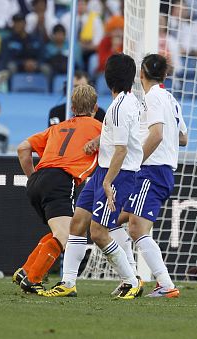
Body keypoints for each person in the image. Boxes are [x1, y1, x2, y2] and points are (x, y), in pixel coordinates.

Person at [41, 53, 143, 299]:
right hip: (104, 171)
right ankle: (68, 283)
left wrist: (108, 181)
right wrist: (99, 142)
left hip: (115, 175)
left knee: (98, 232)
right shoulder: (128, 103)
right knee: (77, 223)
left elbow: (122, 149)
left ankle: (132, 281)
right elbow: (119, 139)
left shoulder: (119, 107)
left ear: (109, 77)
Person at [13, 84, 102, 294]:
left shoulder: (57, 128)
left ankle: (26, 271)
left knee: (59, 232)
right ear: (95, 107)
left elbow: (22, 148)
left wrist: (32, 177)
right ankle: (32, 279)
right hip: (61, 179)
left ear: (72, 108)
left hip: (38, 179)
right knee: (67, 235)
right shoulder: (98, 126)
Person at [122, 54, 188, 298]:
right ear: (166, 75)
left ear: (141, 75)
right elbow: (183, 138)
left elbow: (158, 134)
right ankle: (130, 277)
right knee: (117, 219)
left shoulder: (152, 98)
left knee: (136, 228)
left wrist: (136, 161)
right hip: (163, 170)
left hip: (151, 170)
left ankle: (165, 284)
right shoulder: (171, 99)